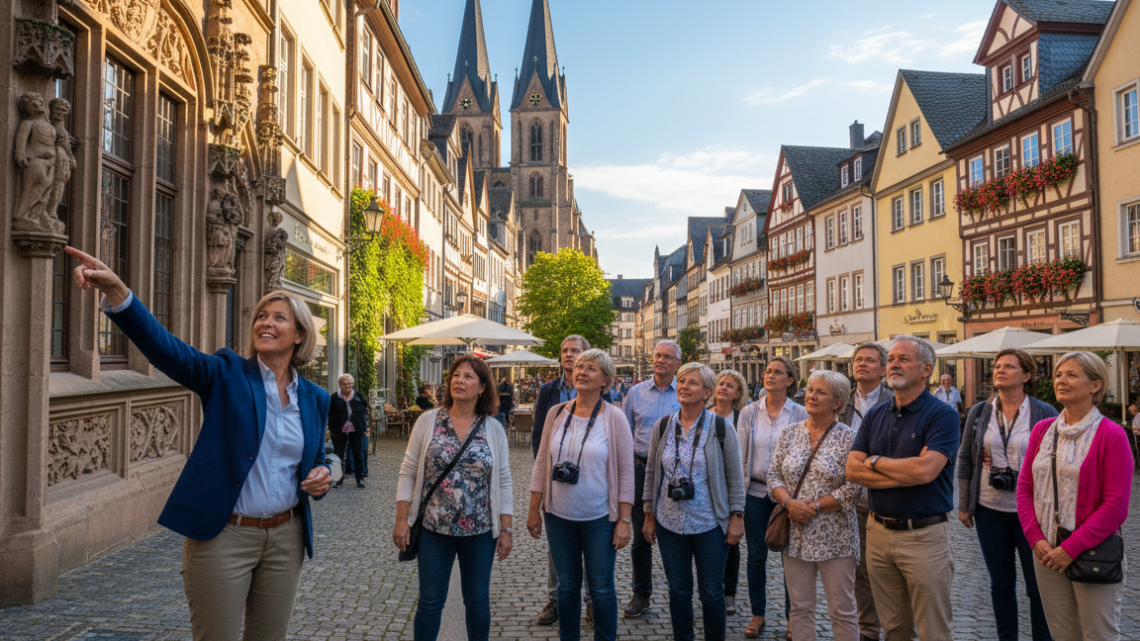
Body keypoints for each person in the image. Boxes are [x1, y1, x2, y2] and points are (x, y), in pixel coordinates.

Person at [63, 245, 333, 641]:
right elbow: (165, 350)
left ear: (300, 335)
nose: (266, 323)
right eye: (261, 316)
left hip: (286, 538)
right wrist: (119, 293)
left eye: (279, 318)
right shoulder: (225, 374)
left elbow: (319, 458)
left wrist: (326, 472)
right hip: (224, 535)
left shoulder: (315, 398)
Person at [845, 335, 960, 641]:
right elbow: (852, 469)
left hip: (923, 537)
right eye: (892, 359)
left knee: (933, 629)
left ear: (926, 369)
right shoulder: (875, 414)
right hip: (878, 533)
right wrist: (904, 470)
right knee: (894, 629)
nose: (894, 364)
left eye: (903, 359)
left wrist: (875, 461)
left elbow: (925, 471)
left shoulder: (942, 414)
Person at [394, 355, 513, 641]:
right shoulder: (428, 421)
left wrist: (506, 528)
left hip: (480, 532)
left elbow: (504, 479)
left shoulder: (493, 428)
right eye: (456, 375)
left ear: (482, 387)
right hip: (434, 530)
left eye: (468, 376)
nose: (460, 380)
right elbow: (408, 471)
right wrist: (401, 520)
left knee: (477, 601)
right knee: (430, 601)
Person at [1017, 351, 1133, 641]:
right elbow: (1024, 488)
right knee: (1062, 635)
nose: (1061, 380)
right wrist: (1036, 539)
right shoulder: (1042, 430)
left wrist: (1071, 548)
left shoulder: (1111, 434)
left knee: (1097, 635)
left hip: (1091, 552)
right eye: (1058, 374)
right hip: (1045, 553)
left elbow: (1115, 507)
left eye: (1071, 374)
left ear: (1095, 385)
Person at [528, 349, 635, 641]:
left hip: (599, 518)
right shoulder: (556, 413)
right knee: (567, 586)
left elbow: (626, 472)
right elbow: (542, 463)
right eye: (579, 367)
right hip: (558, 516)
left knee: (601, 588)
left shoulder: (614, 418)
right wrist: (533, 508)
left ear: (606, 380)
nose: (582, 371)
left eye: (591, 368)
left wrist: (624, 519)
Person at [957, 348, 1056, 641]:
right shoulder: (980, 411)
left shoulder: (1043, 412)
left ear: (1025, 376)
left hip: (1033, 515)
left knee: (1038, 587)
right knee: (1000, 584)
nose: (999, 370)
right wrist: (964, 504)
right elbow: (965, 459)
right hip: (989, 510)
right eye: (997, 366)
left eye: (1009, 367)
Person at [642, 362, 745, 641]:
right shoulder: (663, 426)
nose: (684, 386)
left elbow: (735, 476)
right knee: (678, 591)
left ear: (707, 392)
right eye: (682, 381)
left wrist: (737, 516)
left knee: (711, 593)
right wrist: (648, 513)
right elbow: (652, 471)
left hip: (709, 524)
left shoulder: (721, 428)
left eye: (693, 383)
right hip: (668, 523)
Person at [769, 371, 862, 641]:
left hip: (836, 538)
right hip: (796, 537)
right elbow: (773, 475)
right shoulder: (789, 434)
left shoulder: (850, 438)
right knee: (799, 609)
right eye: (810, 390)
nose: (811, 395)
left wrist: (814, 507)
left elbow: (855, 487)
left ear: (837, 402)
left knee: (842, 610)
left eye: (820, 392)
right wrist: (789, 502)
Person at [736, 357, 804, 638]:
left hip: (787, 496)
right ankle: (758, 614)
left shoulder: (800, 413)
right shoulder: (749, 413)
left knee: (791, 558)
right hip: (754, 492)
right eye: (767, 371)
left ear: (790, 380)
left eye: (777, 372)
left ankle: (793, 618)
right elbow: (740, 457)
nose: (770, 376)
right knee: (755, 557)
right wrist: (736, 502)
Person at [621, 340, 683, 618]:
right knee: (639, 538)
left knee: (678, 537)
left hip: (675, 473)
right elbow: (625, 434)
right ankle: (641, 594)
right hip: (639, 469)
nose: (660, 360)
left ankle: (680, 594)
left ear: (677, 364)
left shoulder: (683, 393)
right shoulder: (635, 393)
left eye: (667, 357)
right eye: (657, 355)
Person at [532, 335, 591, 625]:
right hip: (556, 480)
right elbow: (537, 437)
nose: (569, 356)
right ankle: (555, 600)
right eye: (565, 351)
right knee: (556, 546)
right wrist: (541, 478)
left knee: (594, 544)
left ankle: (593, 601)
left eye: (575, 351)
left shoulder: (600, 388)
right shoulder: (548, 390)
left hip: (591, 480)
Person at [838, 342, 894, 641]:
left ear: (883, 369)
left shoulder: (894, 399)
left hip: (887, 492)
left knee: (890, 567)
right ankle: (868, 629)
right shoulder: (842, 401)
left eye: (870, 360)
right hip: (852, 496)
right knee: (860, 568)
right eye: (858, 360)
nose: (862, 364)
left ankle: (896, 627)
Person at [708, 369, 750, 616]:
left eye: (730, 385)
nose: (723, 387)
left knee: (731, 542)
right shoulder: (704, 416)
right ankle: (710, 587)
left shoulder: (741, 419)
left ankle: (729, 592)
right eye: (720, 383)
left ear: (737, 394)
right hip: (707, 489)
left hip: (732, 487)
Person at [329, 374, 369, 489]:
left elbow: (364, 409)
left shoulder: (358, 396)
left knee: (358, 453)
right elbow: (329, 413)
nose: (348, 386)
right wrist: (332, 428)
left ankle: (360, 478)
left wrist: (364, 425)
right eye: (345, 384)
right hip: (338, 430)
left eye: (350, 383)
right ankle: (338, 480)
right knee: (338, 455)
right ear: (340, 385)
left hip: (357, 429)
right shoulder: (334, 398)